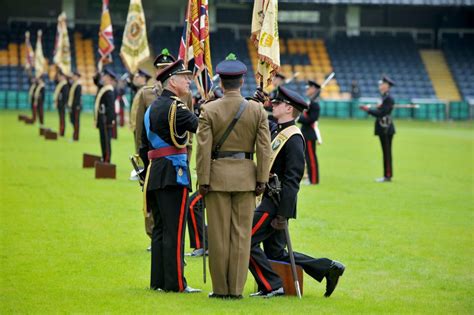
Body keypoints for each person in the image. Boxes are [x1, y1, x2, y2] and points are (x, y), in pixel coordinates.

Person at [248, 85, 345, 298]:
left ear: (289, 109)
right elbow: (258, 117)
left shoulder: (293, 139)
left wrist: (283, 214)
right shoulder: (277, 128)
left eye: (278, 103)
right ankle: (328, 267)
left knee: (243, 240)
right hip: (270, 199)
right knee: (276, 253)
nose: (273, 104)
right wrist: (254, 100)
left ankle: (272, 285)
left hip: (276, 203)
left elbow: (293, 181)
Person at [196, 54, 272, 299]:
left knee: (217, 236)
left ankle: (220, 289)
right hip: (246, 179)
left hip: (216, 179)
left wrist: (203, 181)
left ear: (221, 83)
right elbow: (264, 149)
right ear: (241, 81)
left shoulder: (208, 110)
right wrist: (262, 180)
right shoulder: (257, 110)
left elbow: (203, 150)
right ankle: (236, 290)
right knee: (241, 236)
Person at [139, 59, 200, 293]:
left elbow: (143, 147)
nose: (189, 80)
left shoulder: (151, 108)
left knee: (160, 230)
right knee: (174, 231)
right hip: (174, 172)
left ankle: (158, 282)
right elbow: (202, 126)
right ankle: (176, 284)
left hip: (154, 172)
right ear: (172, 82)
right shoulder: (177, 107)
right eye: (185, 77)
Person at [359, 76, 396, 182]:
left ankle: (387, 176)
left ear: (386, 86)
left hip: (386, 128)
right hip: (383, 127)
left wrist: (368, 110)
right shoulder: (384, 97)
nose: (380, 86)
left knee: (387, 152)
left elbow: (381, 113)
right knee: (385, 152)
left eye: (382, 84)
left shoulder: (388, 98)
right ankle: (386, 175)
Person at [299, 80, 321, 185]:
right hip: (306, 133)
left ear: (314, 90)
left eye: (309, 88)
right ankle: (311, 178)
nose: (307, 90)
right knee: (308, 157)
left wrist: (299, 117)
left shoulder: (314, 104)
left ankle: (313, 180)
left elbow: (312, 119)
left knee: (311, 158)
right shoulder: (311, 102)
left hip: (309, 133)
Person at [94, 68, 116, 163]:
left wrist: (109, 122)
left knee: (106, 141)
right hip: (101, 119)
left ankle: (107, 159)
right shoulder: (103, 88)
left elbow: (111, 108)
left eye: (105, 77)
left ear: (109, 79)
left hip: (106, 120)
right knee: (102, 140)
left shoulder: (109, 91)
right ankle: (104, 157)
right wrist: (98, 72)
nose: (103, 78)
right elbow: (96, 81)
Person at [54, 69, 69, 136]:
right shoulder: (60, 84)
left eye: (60, 76)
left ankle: (62, 132)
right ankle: (60, 130)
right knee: (60, 118)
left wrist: (63, 103)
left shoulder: (65, 84)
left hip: (62, 104)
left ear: (63, 76)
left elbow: (65, 95)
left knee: (62, 118)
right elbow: (55, 80)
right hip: (60, 103)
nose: (58, 78)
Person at [67, 71, 82, 141]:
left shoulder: (78, 85)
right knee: (72, 121)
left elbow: (77, 98)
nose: (73, 77)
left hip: (76, 107)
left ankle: (75, 137)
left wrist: (76, 106)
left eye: (74, 76)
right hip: (72, 106)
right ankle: (74, 135)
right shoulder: (74, 84)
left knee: (76, 122)